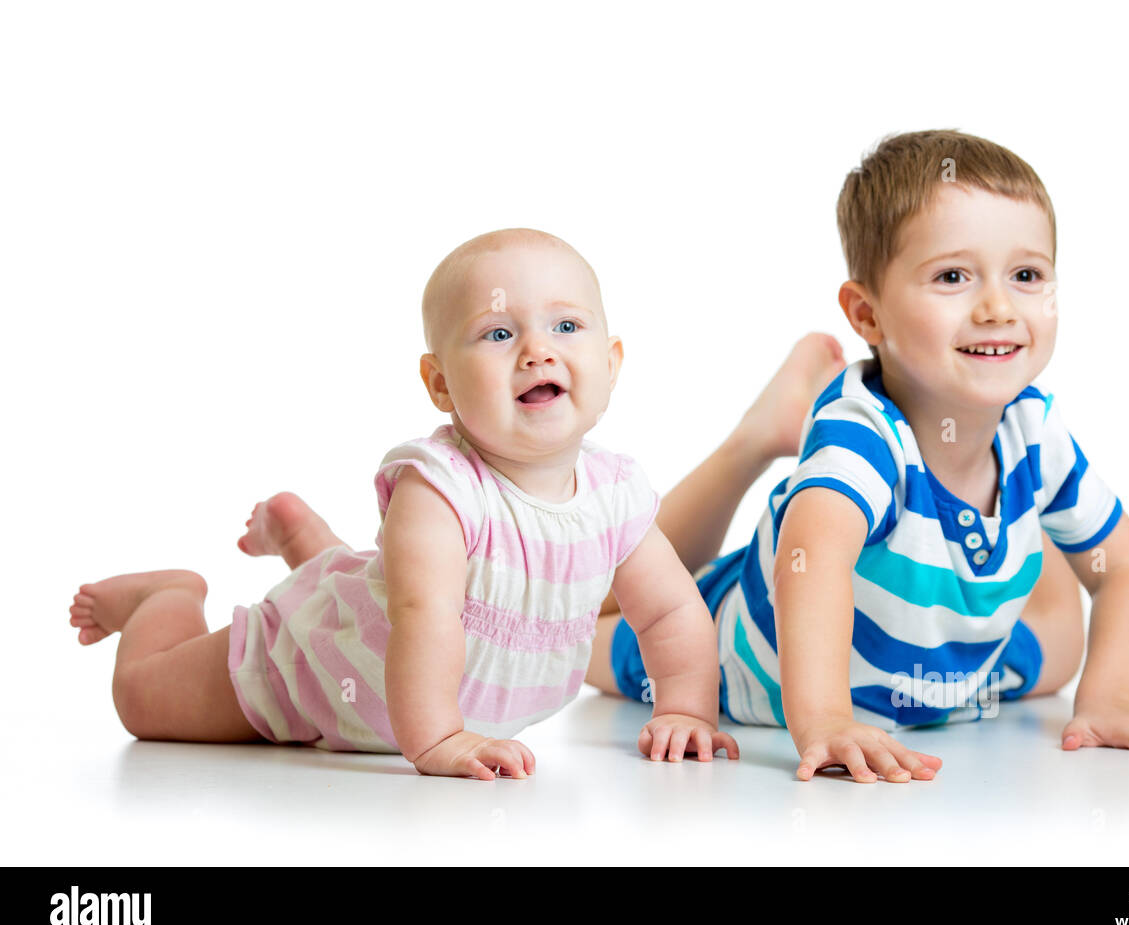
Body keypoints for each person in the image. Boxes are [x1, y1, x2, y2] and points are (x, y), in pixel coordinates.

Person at [596, 129, 1129, 782]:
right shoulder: (862, 438)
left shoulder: (1036, 428)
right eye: (953, 276)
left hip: (946, 675)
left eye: (1026, 274)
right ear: (868, 316)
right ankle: (758, 437)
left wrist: (1110, 703)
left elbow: (1127, 572)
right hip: (751, 653)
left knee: (1063, 651)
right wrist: (826, 719)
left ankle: (980, 555)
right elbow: (806, 565)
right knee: (603, 607)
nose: (998, 307)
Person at [68, 228, 739, 779]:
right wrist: (440, 738)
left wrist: (685, 710)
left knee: (368, 586)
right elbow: (423, 612)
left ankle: (309, 543)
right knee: (145, 700)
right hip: (310, 672)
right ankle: (168, 598)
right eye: (499, 334)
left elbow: (671, 610)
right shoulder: (440, 487)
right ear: (440, 383)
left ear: (613, 363)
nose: (538, 350)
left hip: (367, 628)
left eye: (566, 325)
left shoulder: (613, 496)